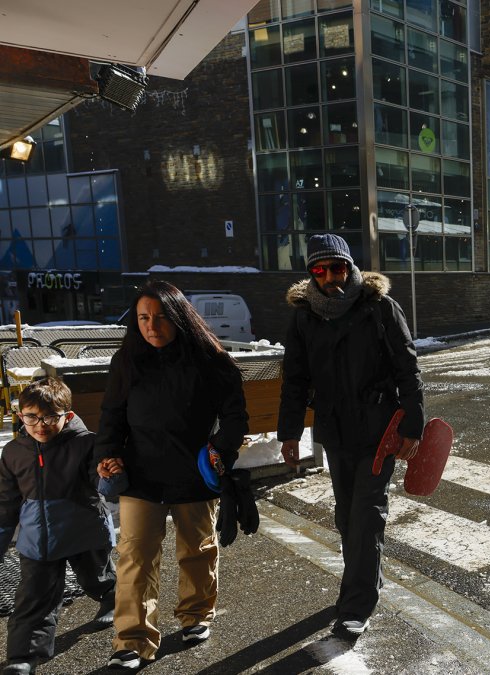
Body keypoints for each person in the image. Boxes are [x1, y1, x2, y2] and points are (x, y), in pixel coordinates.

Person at [95, 281, 249, 671]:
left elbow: (235, 417)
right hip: (140, 474)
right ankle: (132, 640)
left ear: (179, 317)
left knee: (197, 550)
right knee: (135, 557)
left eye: (161, 317)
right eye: (143, 318)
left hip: (193, 472)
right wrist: (108, 454)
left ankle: (196, 615)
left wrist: (218, 451)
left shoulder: (210, 360)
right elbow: (111, 416)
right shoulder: (127, 360)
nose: (151, 326)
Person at [278, 233, 425, 638]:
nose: (330, 277)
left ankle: (356, 605)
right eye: (320, 270)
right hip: (335, 432)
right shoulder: (304, 317)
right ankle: (366, 580)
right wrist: (289, 434)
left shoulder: (379, 307)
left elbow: (407, 368)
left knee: (365, 516)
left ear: (350, 267)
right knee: (346, 517)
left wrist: (413, 427)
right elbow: (295, 380)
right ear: (311, 274)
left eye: (338, 267)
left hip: (379, 431)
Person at [0, 379, 116, 675]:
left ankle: (112, 598)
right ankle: (23, 656)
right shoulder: (13, 452)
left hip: (84, 531)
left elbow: (103, 484)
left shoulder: (86, 443)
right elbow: (6, 502)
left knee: (96, 577)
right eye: (31, 417)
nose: (40, 425)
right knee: (34, 595)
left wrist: (108, 476)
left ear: (67, 415)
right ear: (20, 415)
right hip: (37, 539)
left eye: (50, 417)